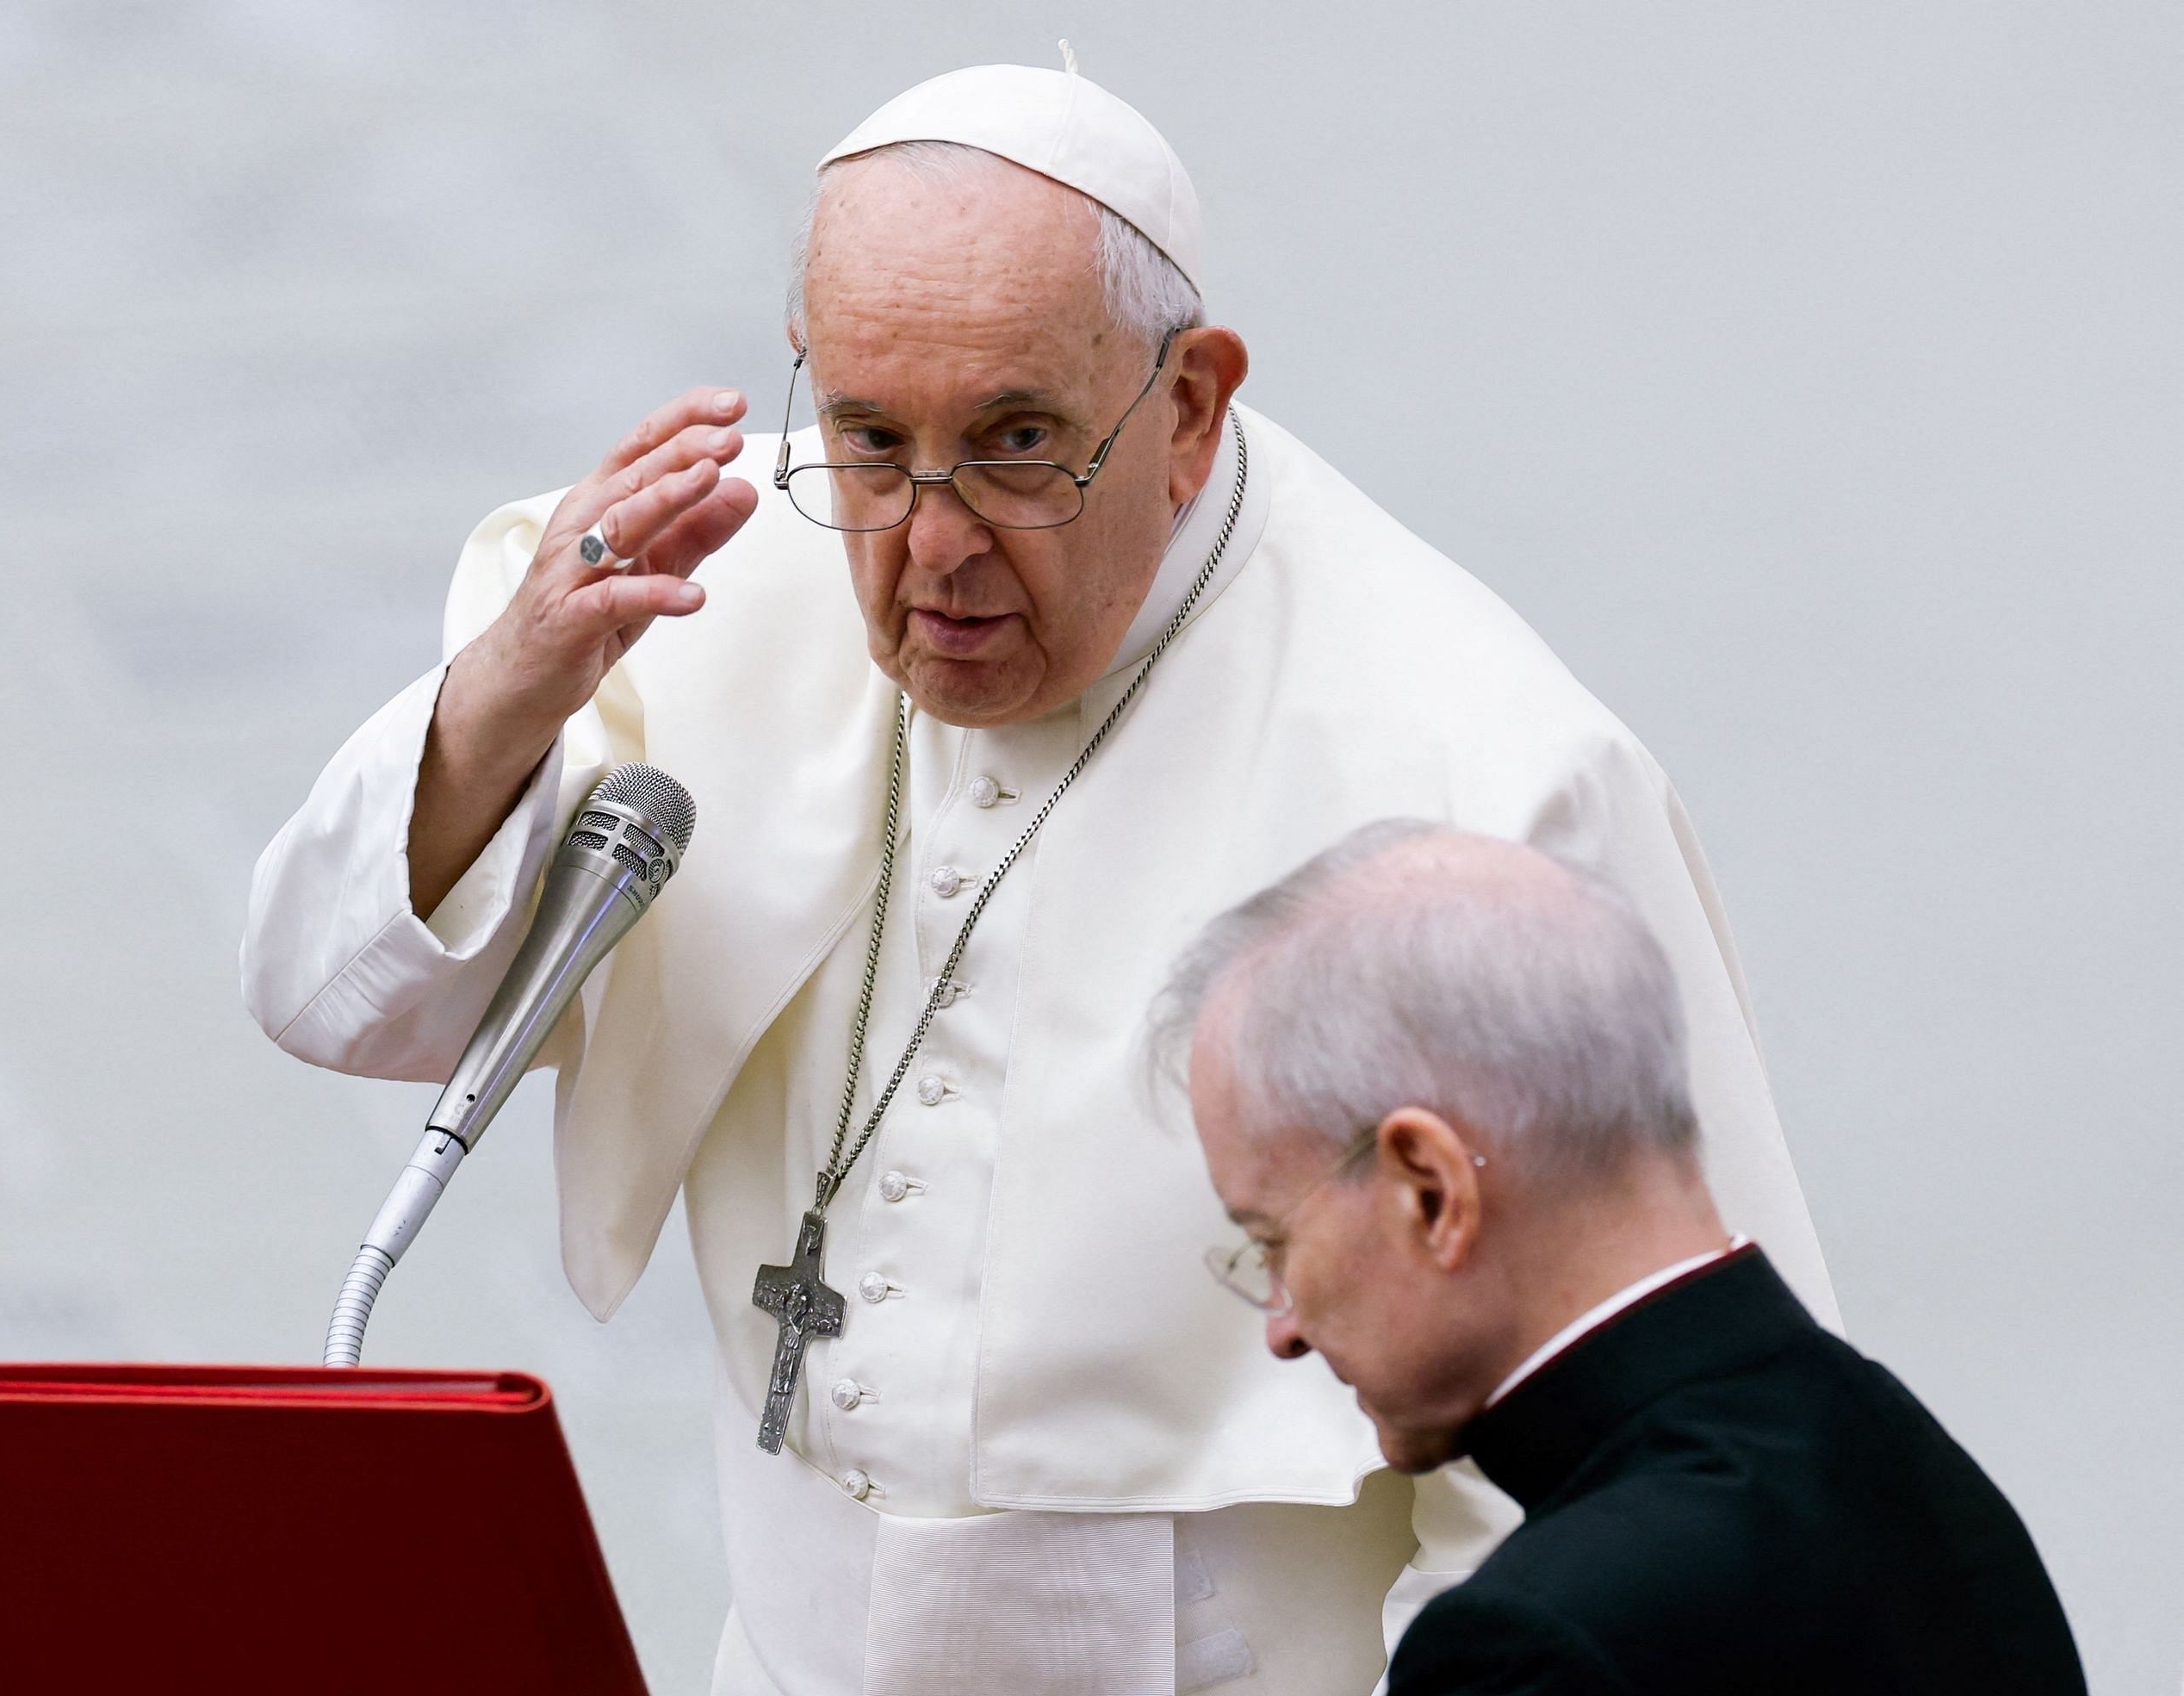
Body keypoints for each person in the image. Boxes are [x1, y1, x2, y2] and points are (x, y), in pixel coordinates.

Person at [244, 57, 1834, 1696]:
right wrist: (498, 698)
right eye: (869, 438)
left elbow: (1653, 1439)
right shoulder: (703, 605)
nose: (930, 546)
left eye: (1016, 445)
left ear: (1191, 408)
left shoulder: (1476, 768)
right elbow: (322, 991)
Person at [1158, 821, 2084, 1694]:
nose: (1283, 1327)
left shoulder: (1540, 1642)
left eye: (1271, 1240)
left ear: (1430, 1190)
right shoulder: (1909, 1469)